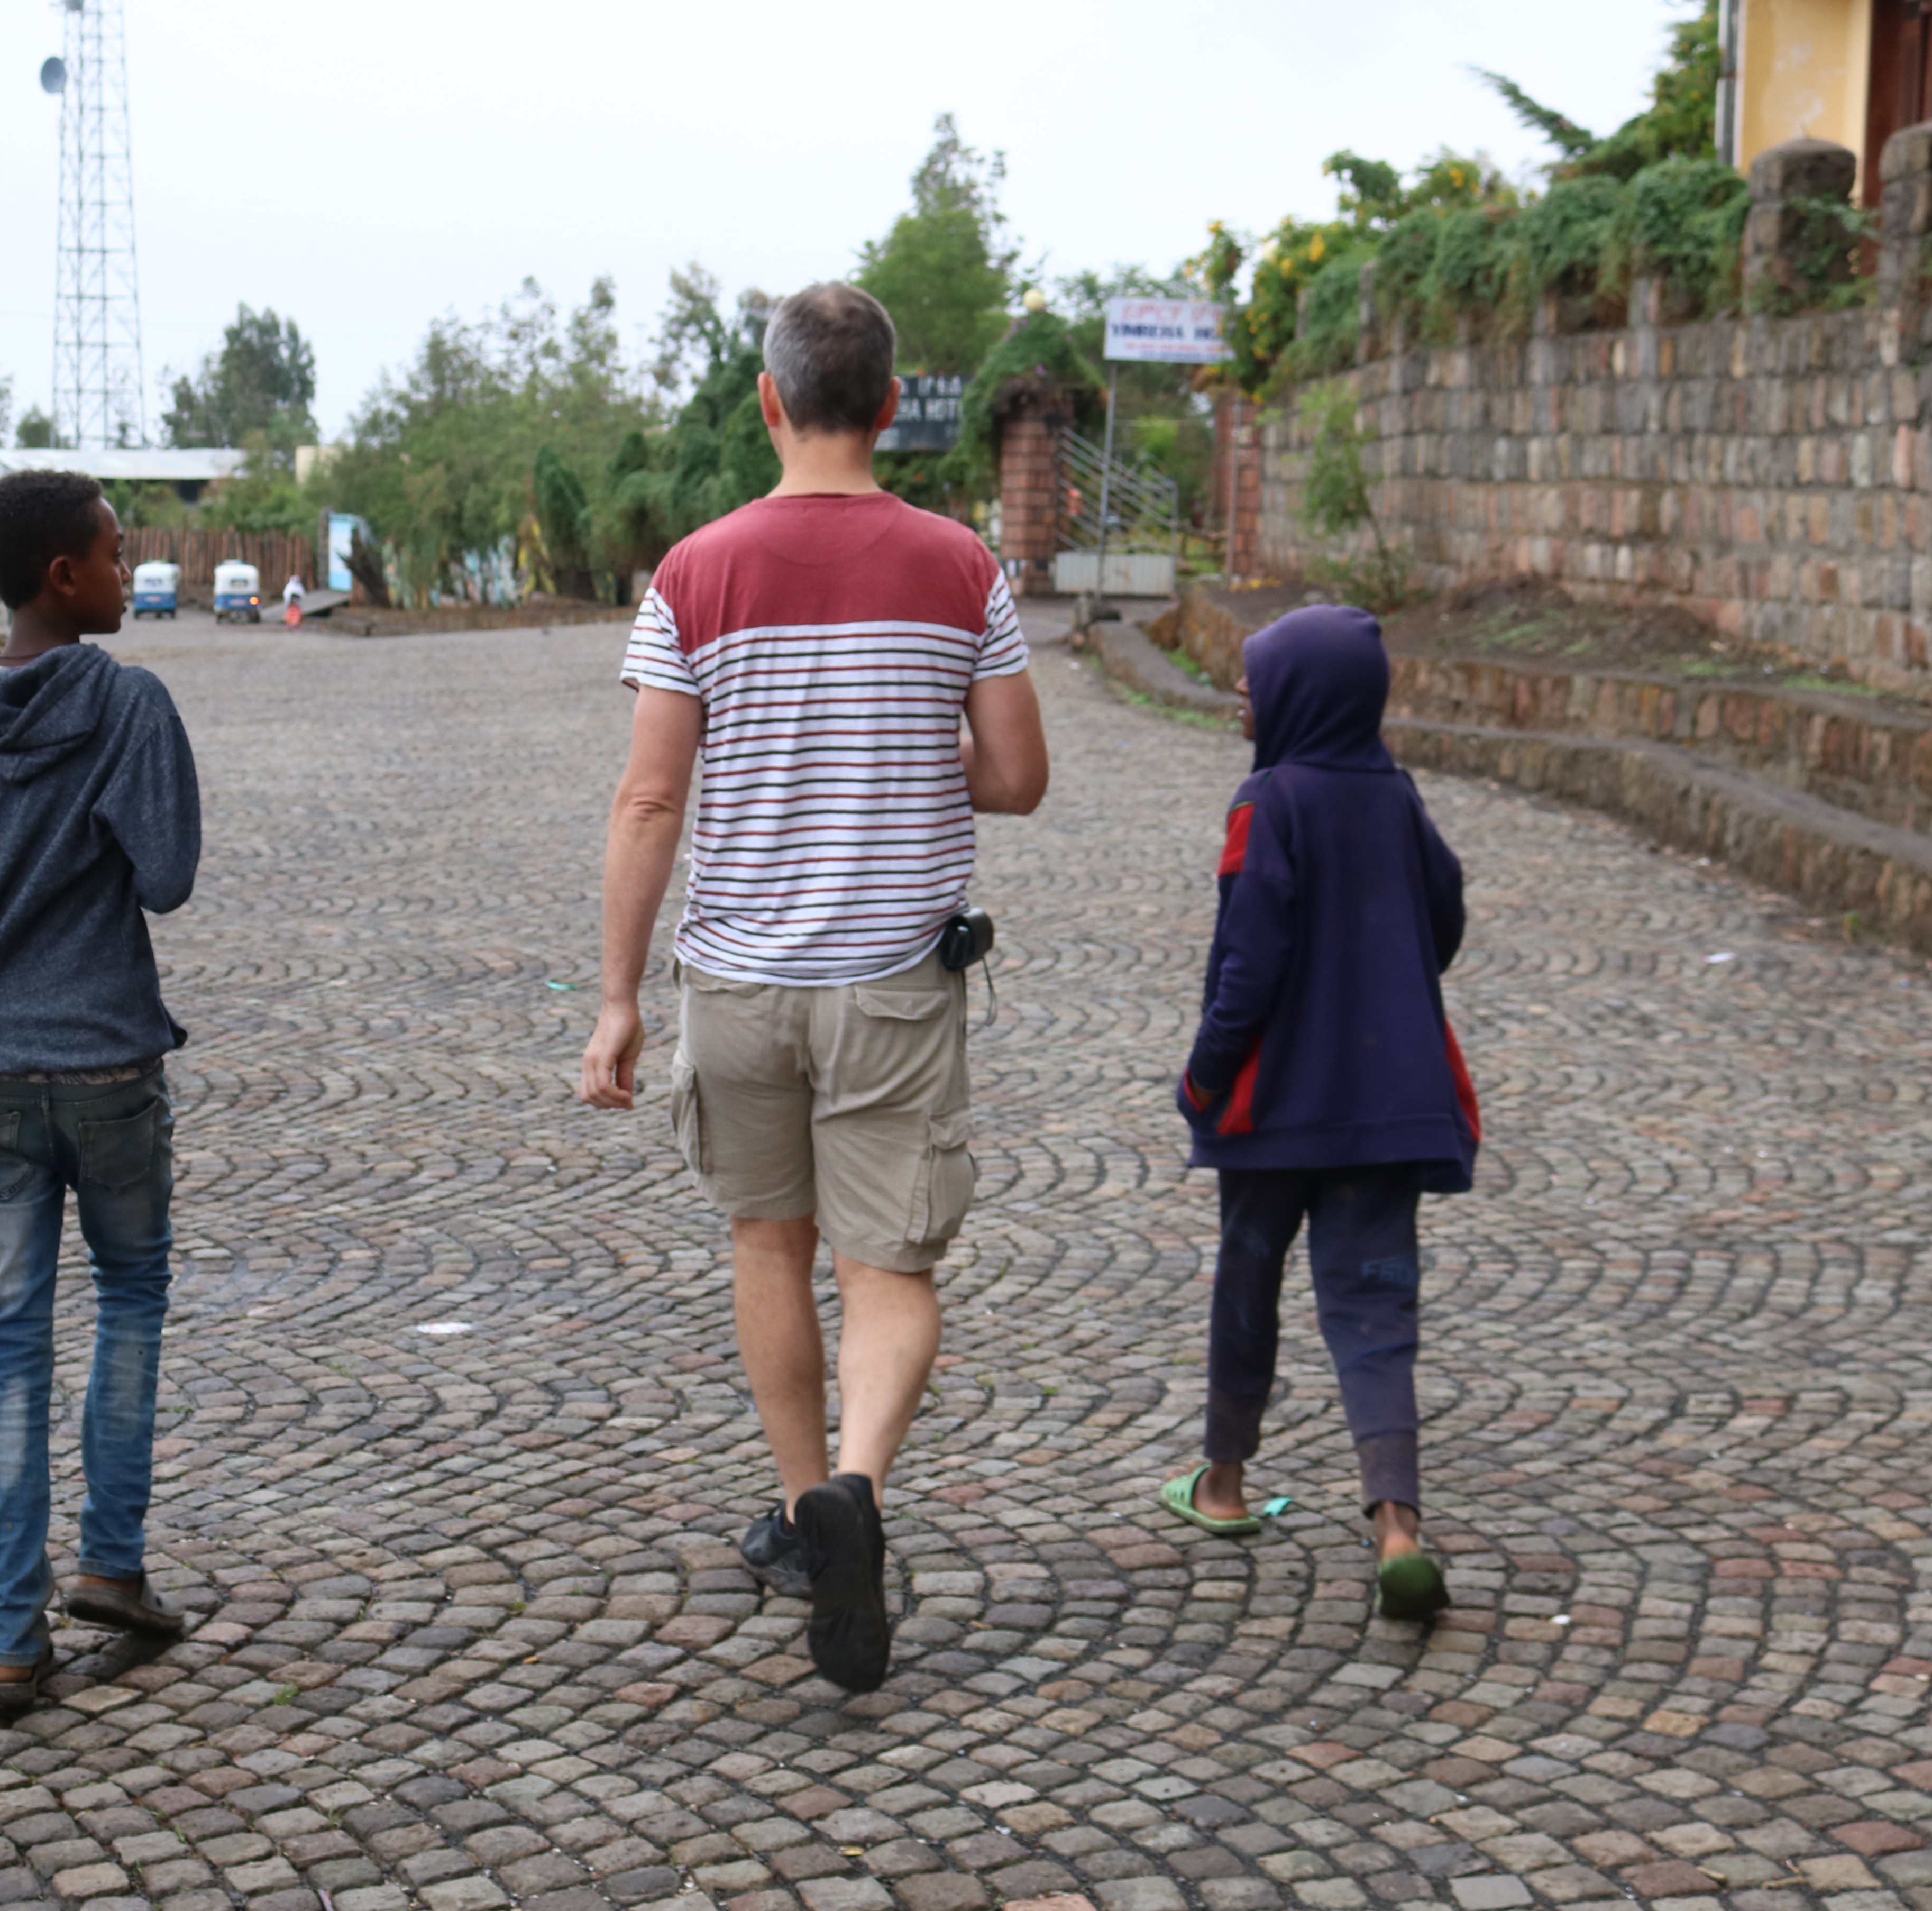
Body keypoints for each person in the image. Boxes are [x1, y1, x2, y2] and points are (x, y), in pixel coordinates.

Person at [576, 281, 1048, 1695]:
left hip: (739, 983)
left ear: (770, 402)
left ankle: (801, 1513)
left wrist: (617, 999)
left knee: (767, 1245)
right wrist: (905, 754)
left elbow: (651, 799)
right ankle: (859, 1486)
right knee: (889, 1268)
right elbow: (1018, 776)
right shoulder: (961, 566)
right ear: (891, 407)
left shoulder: (697, 571)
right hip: (893, 983)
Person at [0, 467, 202, 1718]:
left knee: (8, 1339)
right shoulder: (128, 703)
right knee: (131, 1294)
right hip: (110, 1063)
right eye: (117, 553)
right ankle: (111, 1563)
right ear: (65, 577)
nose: (129, 570)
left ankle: (10, 1637)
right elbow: (167, 874)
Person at [1162, 603, 1477, 1623]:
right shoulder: (1397, 796)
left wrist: (1202, 1077)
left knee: (1247, 1284)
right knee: (1377, 1316)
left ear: (1303, 696)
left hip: (1273, 1115)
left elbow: (1248, 966)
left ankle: (1222, 1485)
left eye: (1257, 678)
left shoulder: (1269, 802)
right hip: (1387, 1111)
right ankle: (1397, 1531)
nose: (1241, 691)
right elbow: (1445, 915)